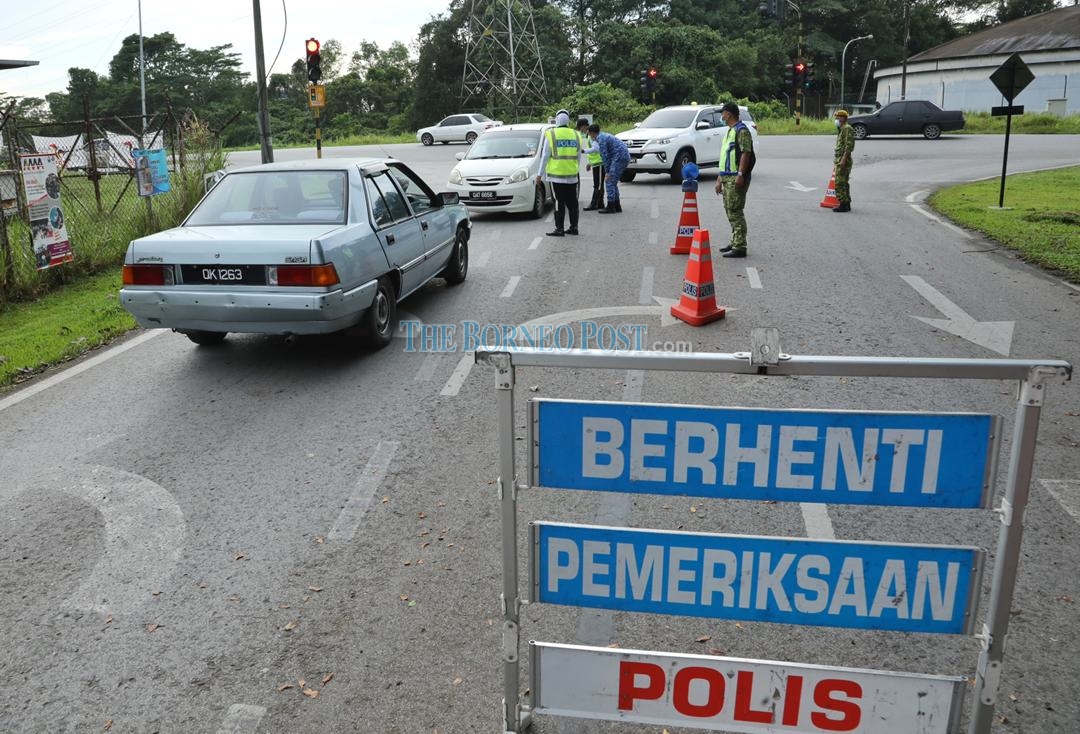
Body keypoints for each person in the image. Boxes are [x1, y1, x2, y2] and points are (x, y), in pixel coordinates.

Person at [713, 102, 754, 258]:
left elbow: (746, 153)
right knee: (729, 210)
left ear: (728, 114)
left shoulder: (741, 131)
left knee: (735, 211)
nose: (721, 116)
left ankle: (740, 246)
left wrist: (741, 175)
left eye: (722, 113)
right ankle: (735, 240)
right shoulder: (730, 131)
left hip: (736, 176)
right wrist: (719, 179)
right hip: (727, 176)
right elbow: (725, 158)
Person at [536, 109, 582, 236]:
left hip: (556, 177)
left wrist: (539, 175)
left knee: (558, 202)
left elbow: (545, 156)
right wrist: (574, 169)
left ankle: (559, 229)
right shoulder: (576, 134)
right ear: (568, 120)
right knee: (573, 202)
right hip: (572, 175)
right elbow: (579, 156)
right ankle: (574, 227)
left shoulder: (551, 134)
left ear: (556, 120)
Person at [586, 123, 630, 214]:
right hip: (622, 156)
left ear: (592, 133)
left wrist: (607, 172)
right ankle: (617, 205)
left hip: (619, 157)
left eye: (589, 134)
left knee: (609, 180)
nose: (589, 136)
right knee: (613, 182)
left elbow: (605, 157)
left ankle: (611, 206)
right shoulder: (603, 136)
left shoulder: (601, 140)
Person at [577, 117, 605, 211]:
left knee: (598, 185)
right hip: (596, 163)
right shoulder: (590, 135)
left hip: (600, 163)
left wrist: (583, 151)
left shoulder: (591, 135)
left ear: (584, 127)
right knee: (598, 184)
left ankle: (594, 204)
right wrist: (590, 163)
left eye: (580, 128)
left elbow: (596, 149)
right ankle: (600, 203)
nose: (581, 130)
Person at [833, 109, 855, 213]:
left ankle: (843, 204)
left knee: (840, 183)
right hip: (840, 158)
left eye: (838, 117)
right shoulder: (842, 128)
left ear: (843, 118)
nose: (836, 119)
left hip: (843, 160)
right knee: (844, 183)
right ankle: (846, 204)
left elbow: (848, 146)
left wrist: (843, 160)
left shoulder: (847, 128)